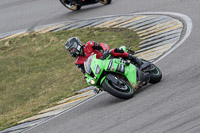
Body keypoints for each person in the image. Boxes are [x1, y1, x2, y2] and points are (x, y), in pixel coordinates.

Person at [65, 37, 145, 74]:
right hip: (100, 68)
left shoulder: (89, 44)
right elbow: (85, 72)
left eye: (72, 49)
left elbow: (102, 45)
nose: (71, 52)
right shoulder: (78, 62)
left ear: (77, 45)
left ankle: (136, 60)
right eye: (70, 51)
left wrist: (105, 50)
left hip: (107, 58)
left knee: (114, 51)